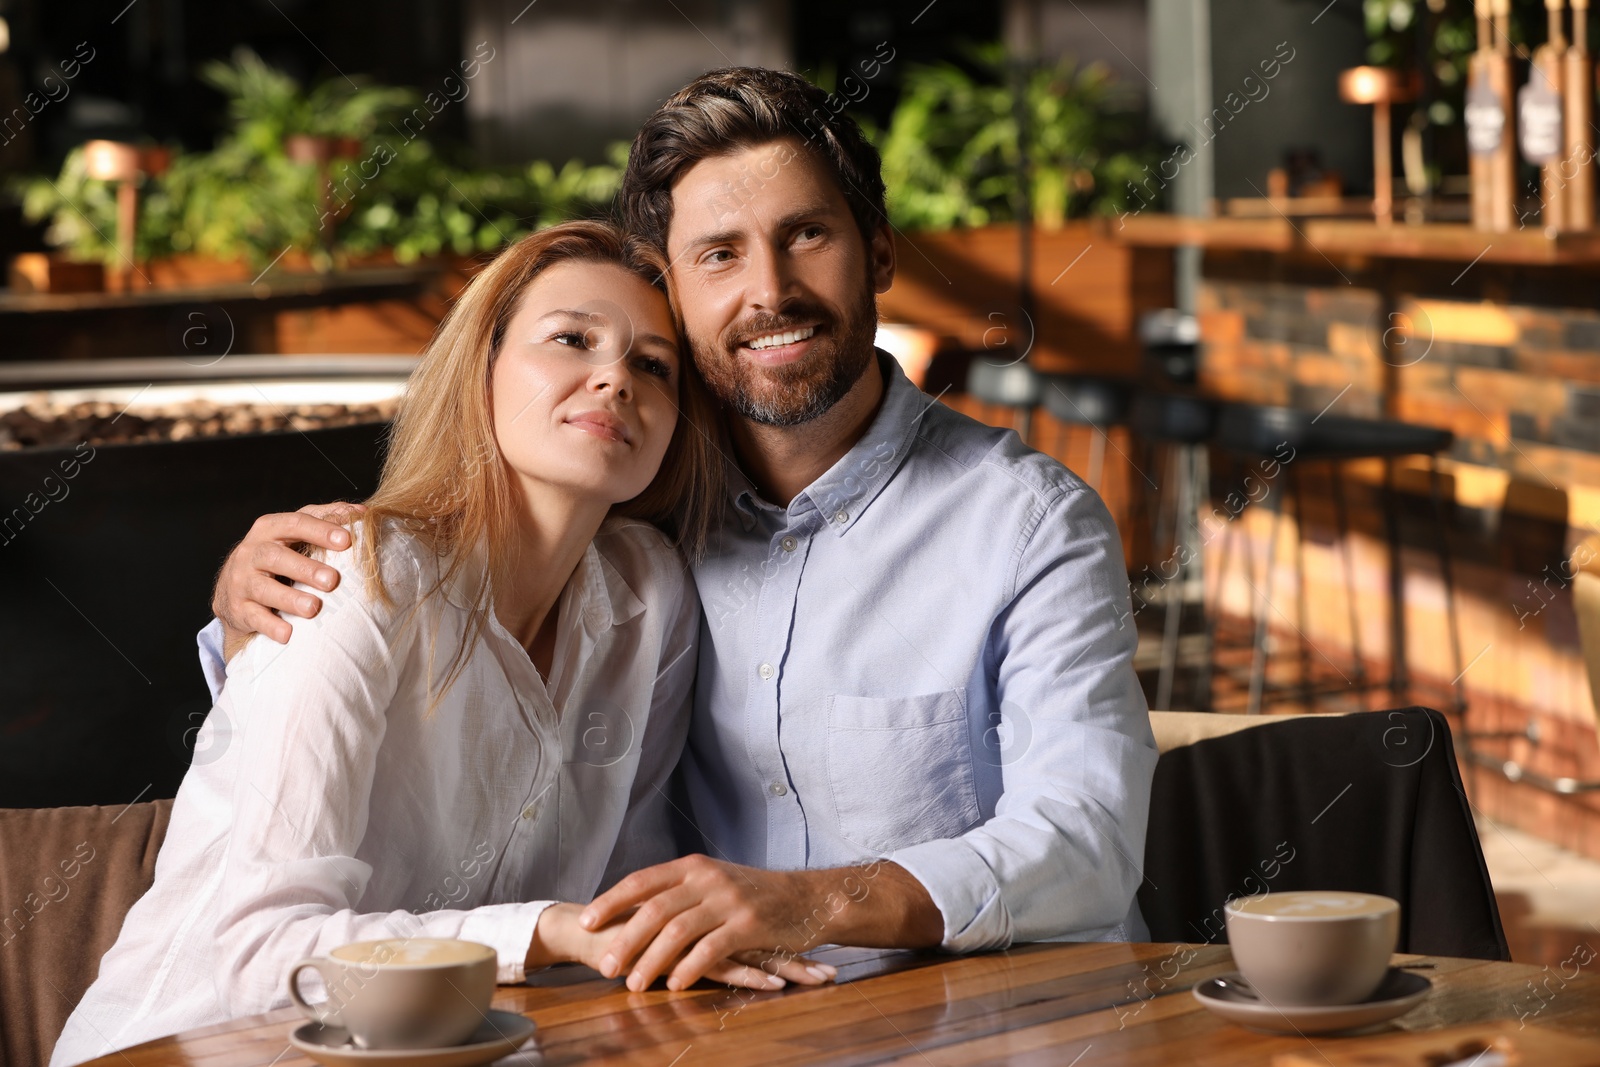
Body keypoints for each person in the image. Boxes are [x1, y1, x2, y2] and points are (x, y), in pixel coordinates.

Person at [205, 67, 1158, 998]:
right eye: (719, 255)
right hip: (721, 1028)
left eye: (807, 235)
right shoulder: (634, 526)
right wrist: (251, 613)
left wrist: (812, 902)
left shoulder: (1029, 520)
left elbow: (1088, 841)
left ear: (878, 253)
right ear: (676, 289)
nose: (769, 289)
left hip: (1009, 1021)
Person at [50, 221, 833, 1067]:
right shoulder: (354, 574)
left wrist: (673, 940)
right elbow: (257, 954)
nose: (614, 377)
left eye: (653, 365)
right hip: (195, 1047)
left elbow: (622, 886)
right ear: (482, 369)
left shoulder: (652, 593)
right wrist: (548, 930)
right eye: (571, 339)